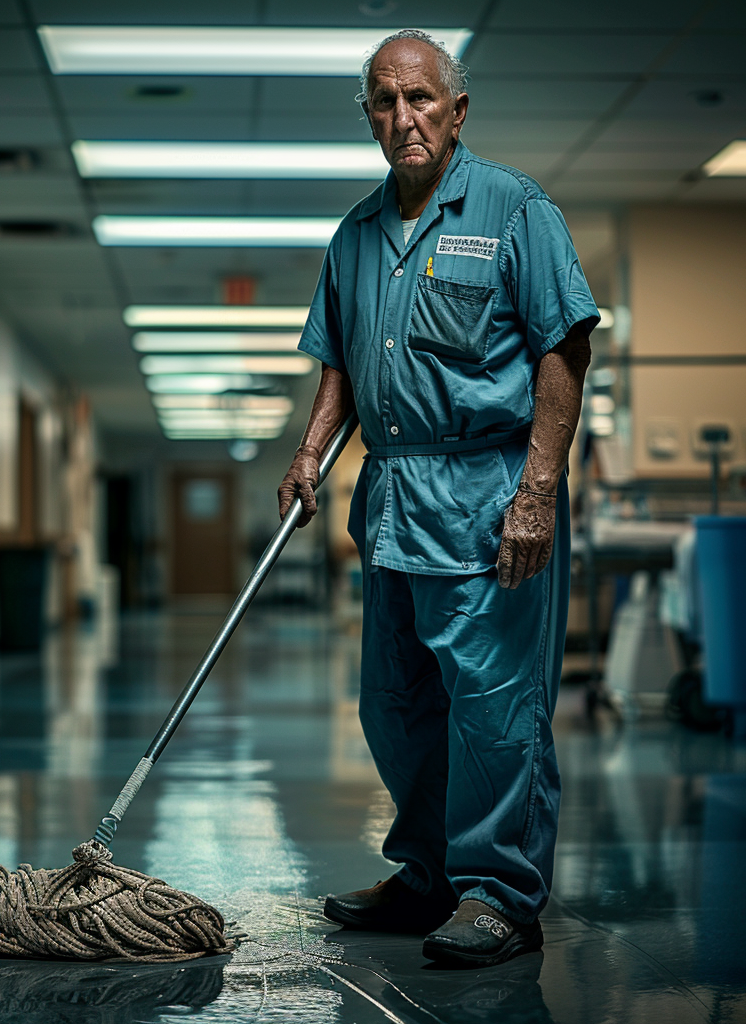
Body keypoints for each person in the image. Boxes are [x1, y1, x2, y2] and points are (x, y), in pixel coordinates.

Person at [278, 29, 598, 968]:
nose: (403, 117)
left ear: (456, 112)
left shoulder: (513, 209)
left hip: (488, 492)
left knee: (494, 708)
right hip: (389, 494)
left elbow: (563, 353)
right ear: (370, 119)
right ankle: (427, 876)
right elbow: (339, 365)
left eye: (420, 98)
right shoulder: (356, 232)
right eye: (384, 101)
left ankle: (498, 894)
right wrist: (310, 455)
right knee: (396, 702)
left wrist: (538, 490)